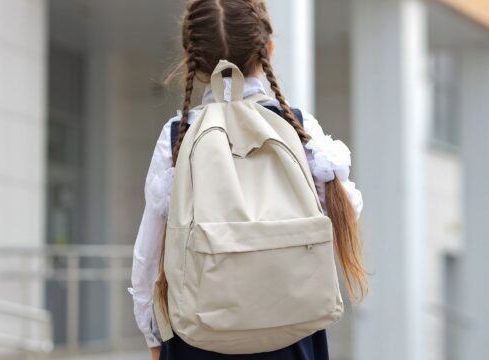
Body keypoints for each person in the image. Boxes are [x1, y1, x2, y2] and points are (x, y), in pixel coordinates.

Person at [129, 0, 367, 359]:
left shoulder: (180, 134)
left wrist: (151, 332)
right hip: (293, 333)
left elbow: (150, 253)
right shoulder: (297, 126)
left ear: (190, 58)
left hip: (198, 336)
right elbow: (344, 211)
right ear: (268, 48)